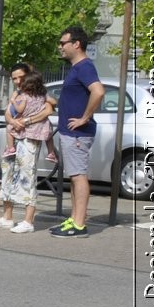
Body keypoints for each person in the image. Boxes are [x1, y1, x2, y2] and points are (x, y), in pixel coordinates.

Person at [50, 25, 105, 237]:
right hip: (71, 133)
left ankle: (79, 224)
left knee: (79, 177)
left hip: (77, 135)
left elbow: (98, 92)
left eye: (63, 43)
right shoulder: (77, 68)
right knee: (74, 176)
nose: (60, 47)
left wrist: (85, 117)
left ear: (76, 44)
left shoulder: (84, 66)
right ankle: (74, 219)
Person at [0, 72, 54, 234]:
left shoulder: (32, 96)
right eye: (14, 78)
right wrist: (13, 121)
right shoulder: (20, 94)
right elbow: (8, 114)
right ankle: (8, 216)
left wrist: (24, 121)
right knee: (8, 174)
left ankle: (28, 220)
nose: (17, 82)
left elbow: (48, 110)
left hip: (28, 137)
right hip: (17, 136)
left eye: (21, 79)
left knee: (27, 175)